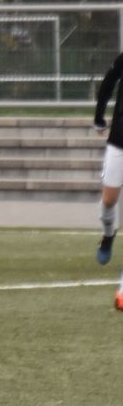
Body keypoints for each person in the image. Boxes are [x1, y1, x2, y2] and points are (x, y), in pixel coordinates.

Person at [92, 51, 123, 308]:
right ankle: (108, 233)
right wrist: (99, 116)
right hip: (119, 140)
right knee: (109, 200)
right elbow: (109, 82)